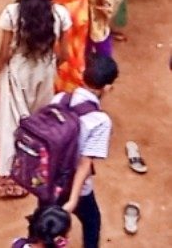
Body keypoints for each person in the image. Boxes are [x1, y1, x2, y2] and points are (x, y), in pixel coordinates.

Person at [0, 0, 72, 198]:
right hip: (44, 71)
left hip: (18, 72)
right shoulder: (60, 15)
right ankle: (33, 164)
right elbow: (65, 54)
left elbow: (4, 52)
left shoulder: (13, 13)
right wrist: (51, 65)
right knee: (35, 120)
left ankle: (10, 175)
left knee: (12, 121)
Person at [56, 54, 118, 248]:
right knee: (92, 222)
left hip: (49, 178)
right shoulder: (100, 121)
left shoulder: (60, 98)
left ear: (83, 75)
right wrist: (74, 198)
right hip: (76, 186)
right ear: (107, 87)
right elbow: (84, 164)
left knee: (47, 224)